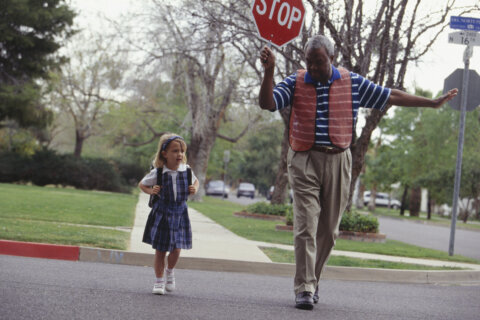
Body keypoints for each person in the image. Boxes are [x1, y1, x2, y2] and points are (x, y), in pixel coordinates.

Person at [258, 35, 458, 310]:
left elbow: (391, 95)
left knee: (329, 230)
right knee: (306, 224)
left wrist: (431, 102)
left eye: (319, 62)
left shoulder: (352, 82)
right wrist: (269, 72)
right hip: (304, 158)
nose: (314, 68)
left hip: (339, 159)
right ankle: (303, 288)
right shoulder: (296, 81)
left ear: (332, 58)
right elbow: (268, 103)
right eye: (309, 62)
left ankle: (312, 280)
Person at [138, 133, 199, 295]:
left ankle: (170, 271)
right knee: (160, 250)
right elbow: (142, 184)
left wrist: (195, 188)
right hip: (162, 213)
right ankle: (158, 281)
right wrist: (152, 191)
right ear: (164, 153)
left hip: (180, 213)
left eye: (182, 151)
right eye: (175, 151)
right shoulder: (158, 173)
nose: (179, 154)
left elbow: (196, 181)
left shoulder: (186, 171)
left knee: (177, 248)